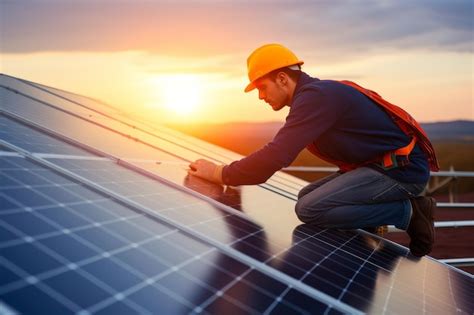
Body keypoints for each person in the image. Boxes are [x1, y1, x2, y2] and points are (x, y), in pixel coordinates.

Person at [188, 43, 438, 257]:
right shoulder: (316, 95)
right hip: (383, 166)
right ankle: (372, 220)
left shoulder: (315, 99)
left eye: (262, 87)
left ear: (283, 79)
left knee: (309, 208)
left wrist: (218, 173)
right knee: (306, 195)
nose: (261, 97)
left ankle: (410, 212)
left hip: (401, 172)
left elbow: (275, 156)